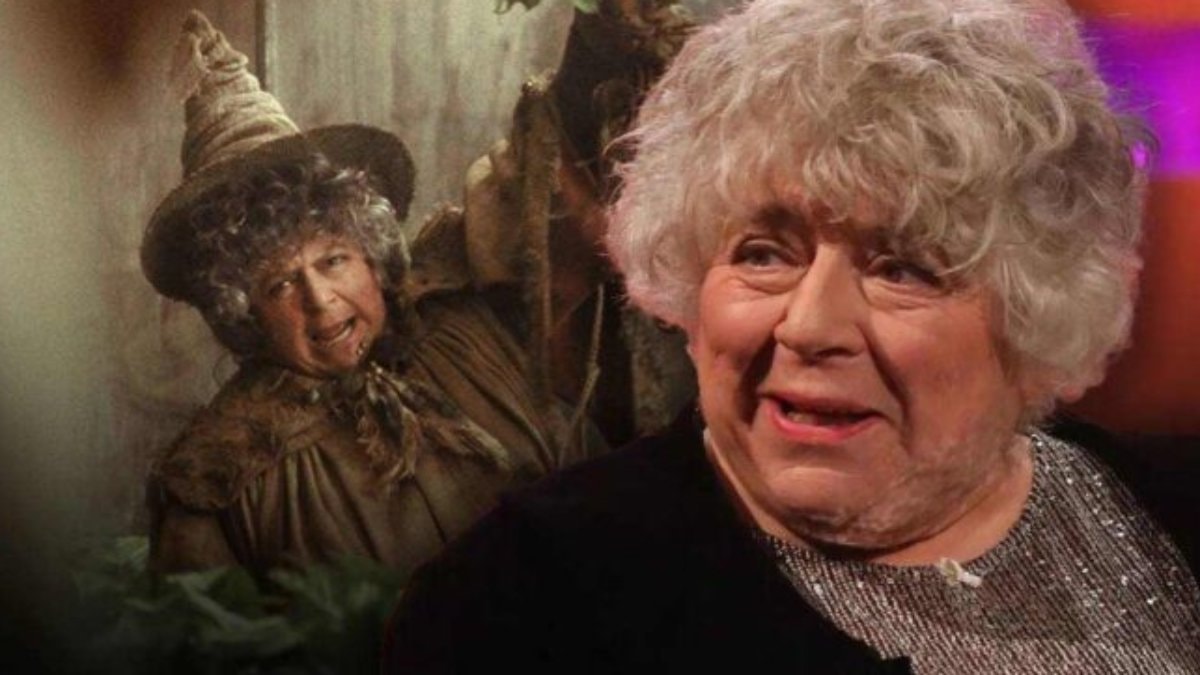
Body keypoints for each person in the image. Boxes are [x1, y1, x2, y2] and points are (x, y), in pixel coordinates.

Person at [384, 0, 1200, 671]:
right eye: (763, 254)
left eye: (902, 267)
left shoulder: (1175, 502)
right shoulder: (520, 602)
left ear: (1035, 310)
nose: (809, 325)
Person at [143, 11, 601, 582]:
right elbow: (204, 625)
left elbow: (564, 200)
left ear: (370, 253)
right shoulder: (221, 476)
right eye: (280, 284)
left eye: (333, 260)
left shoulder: (469, 331)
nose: (319, 299)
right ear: (244, 312)